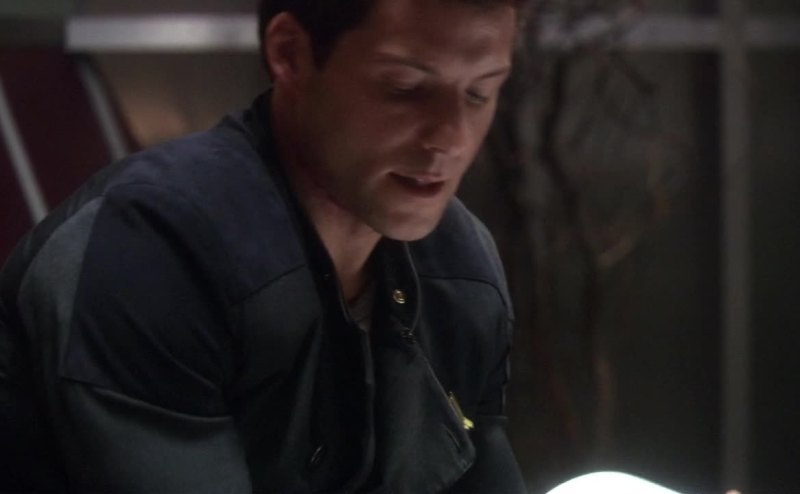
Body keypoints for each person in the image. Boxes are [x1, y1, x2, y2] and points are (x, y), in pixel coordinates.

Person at [0, 0, 526, 491]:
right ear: (290, 54)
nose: (452, 137)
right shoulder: (153, 248)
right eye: (404, 88)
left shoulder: (461, 271)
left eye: (479, 93)